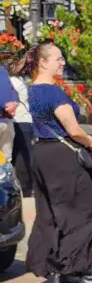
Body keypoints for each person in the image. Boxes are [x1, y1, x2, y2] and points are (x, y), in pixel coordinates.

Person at [25, 43, 92, 283]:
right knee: (83, 214)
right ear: (43, 62)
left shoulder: (33, 92)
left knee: (52, 213)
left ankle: (58, 272)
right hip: (62, 158)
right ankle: (84, 273)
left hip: (42, 154)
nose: (63, 62)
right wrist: (91, 141)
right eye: (58, 58)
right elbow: (74, 129)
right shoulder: (54, 93)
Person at [8, 52, 33, 196]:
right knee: (24, 156)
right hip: (22, 120)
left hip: (16, 121)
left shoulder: (11, 80)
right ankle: (27, 187)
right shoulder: (16, 81)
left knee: (15, 155)